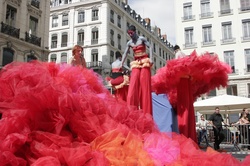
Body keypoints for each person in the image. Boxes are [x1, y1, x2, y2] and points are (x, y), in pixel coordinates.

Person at [121, 25, 153, 115]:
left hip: (144, 61)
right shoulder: (129, 43)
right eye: (129, 34)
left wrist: (151, 59)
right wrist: (122, 63)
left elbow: (150, 47)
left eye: (131, 33)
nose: (130, 35)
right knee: (133, 84)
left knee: (144, 85)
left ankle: (147, 113)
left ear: (135, 32)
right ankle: (132, 113)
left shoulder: (142, 39)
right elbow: (125, 53)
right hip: (136, 63)